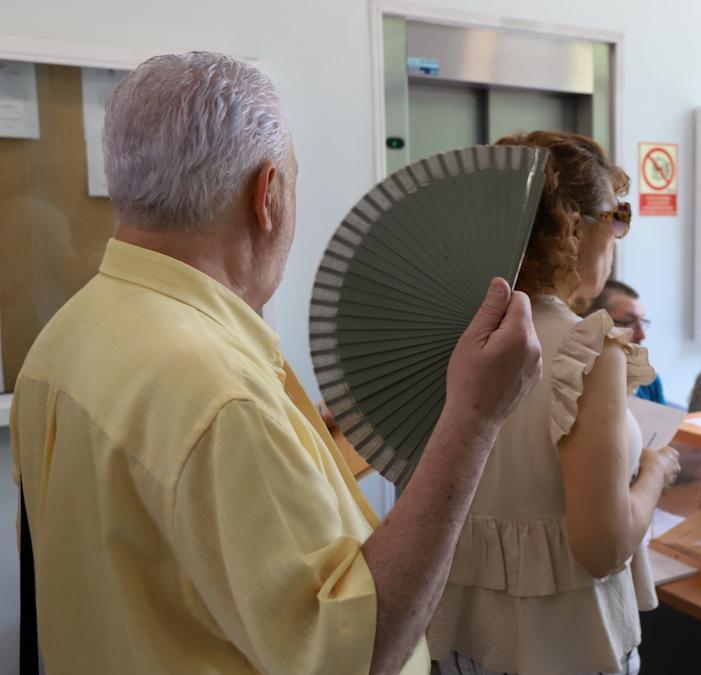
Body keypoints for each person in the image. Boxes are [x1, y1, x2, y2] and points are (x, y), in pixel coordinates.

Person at [10, 52, 542, 674]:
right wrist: (472, 421)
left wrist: (302, 452)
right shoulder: (221, 400)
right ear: (268, 195)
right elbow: (357, 652)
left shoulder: (65, 336)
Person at [428, 130, 681, 675]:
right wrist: (655, 472)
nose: (617, 238)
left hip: (456, 639)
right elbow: (603, 546)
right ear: (577, 227)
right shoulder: (587, 350)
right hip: (568, 645)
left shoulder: (450, 336)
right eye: (617, 219)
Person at [587, 279, 665, 404]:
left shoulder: (649, 382)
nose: (641, 335)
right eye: (629, 322)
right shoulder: (575, 387)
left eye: (641, 322)